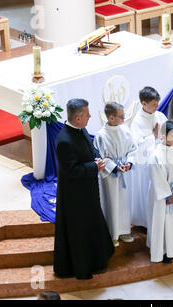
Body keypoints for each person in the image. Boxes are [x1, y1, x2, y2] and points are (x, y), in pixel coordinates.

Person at [54, 98, 114, 280]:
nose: (90, 116)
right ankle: (81, 267)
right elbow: (71, 170)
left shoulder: (81, 129)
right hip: (74, 196)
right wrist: (94, 167)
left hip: (87, 190)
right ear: (78, 117)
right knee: (79, 232)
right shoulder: (64, 141)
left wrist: (96, 158)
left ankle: (97, 260)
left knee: (92, 224)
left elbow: (90, 147)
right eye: (87, 114)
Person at [93, 102, 137, 247]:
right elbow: (100, 156)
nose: (124, 118)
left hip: (124, 172)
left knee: (124, 202)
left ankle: (124, 230)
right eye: (121, 116)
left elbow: (133, 149)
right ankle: (112, 233)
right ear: (111, 118)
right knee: (111, 202)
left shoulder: (125, 130)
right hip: (110, 175)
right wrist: (114, 167)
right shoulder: (101, 135)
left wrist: (129, 163)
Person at [146, 120, 173, 263]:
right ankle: (162, 251)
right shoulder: (156, 155)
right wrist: (167, 194)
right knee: (160, 221)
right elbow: (157, 176)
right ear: (163, 136)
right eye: (172, 136)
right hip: (160, 195)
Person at [129, 87, 167, 230]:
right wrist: (153, 137)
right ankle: (145, 221)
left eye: (158, 103)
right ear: (144, 104)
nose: (157, 107)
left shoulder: (160, 116)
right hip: (144, 164)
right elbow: (136, 146)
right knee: (146, 191)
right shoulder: (137, 122)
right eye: (154, 104)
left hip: (161, 160)